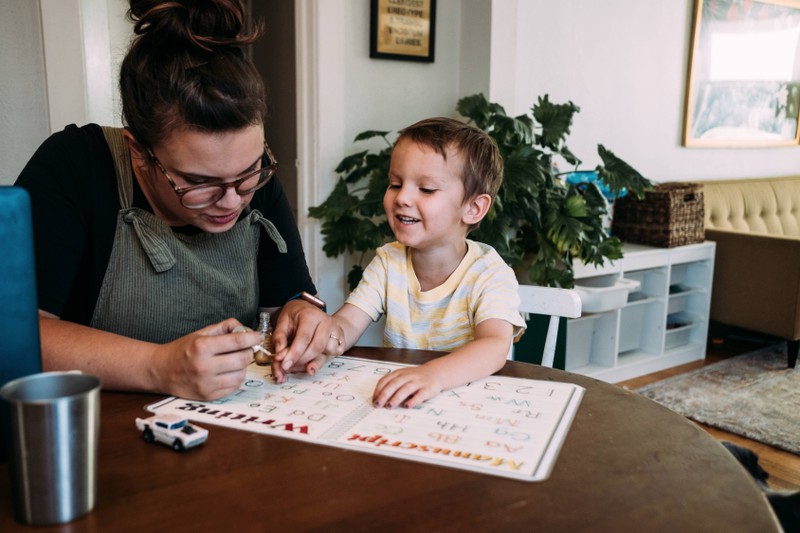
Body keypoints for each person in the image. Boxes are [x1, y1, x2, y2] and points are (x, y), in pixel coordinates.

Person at [15, 0, 343, 401]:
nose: (231, 201)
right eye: (198, 182)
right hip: (99, 432)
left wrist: (303, 315)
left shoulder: (251, 184)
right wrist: (159, 366)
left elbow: (288, 300)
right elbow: (18, 334)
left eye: (248, 172)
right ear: (139, 151)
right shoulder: (75, 166)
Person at [273, 117, 526, 409]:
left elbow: (494, 346)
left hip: (470, 408)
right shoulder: (388, 262)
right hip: (404, 407)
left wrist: (433, 375)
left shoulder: (490, 273)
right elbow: (345, 326)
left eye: (426, 189)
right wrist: (321, 344)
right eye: (395, 183)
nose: (402, 197)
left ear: (473, 208)